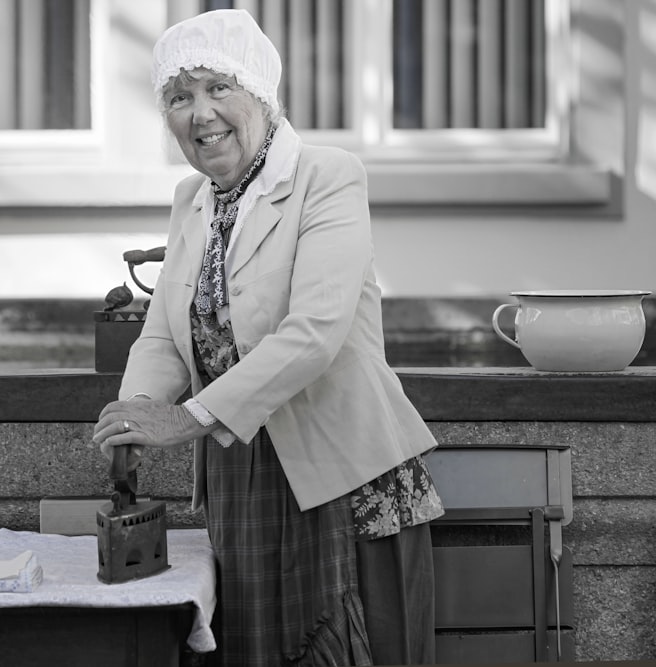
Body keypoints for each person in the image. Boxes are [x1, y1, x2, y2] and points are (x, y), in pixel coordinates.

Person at [92, 9, 444, 666]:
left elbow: (315, 333)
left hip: (341, 471)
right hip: (239, 477)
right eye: (179, 96)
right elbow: (166, 335)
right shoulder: (190, 201)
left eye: (217, 88)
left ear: (259, 91)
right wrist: (137, 415)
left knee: (345, 646)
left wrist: (184, 418)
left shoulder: (328, 177)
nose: (200, 114)